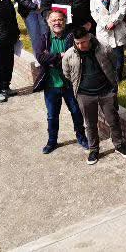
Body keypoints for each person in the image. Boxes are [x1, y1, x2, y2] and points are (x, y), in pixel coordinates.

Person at [62, 28, 126, 165]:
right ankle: (94, 149)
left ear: (89, 37)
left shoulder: (103, 48)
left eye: (84, 42)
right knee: (90, 124)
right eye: (78, 43)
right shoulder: (70, 54)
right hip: (85, 95)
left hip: (106, 91)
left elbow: (113, 62)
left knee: (113, 119)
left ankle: (119, 145)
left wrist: (113, 84)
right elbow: (67, 73)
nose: (82, 45)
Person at [33, 10, 88, 153]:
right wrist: (60, 57)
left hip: (69, 84)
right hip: (51, 84)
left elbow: (76, 56)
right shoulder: (43, 38)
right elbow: (40, 57)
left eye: (60, 20)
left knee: (76, 112)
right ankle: (52, 141)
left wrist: (51, 58)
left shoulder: (71, 37)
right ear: (48, 22)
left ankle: (81, 137)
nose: (57, 22)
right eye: (53, 20)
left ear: (65, 21)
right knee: (52, 116)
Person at [89, 0, 126, 76]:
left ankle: (118, 76)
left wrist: (114, 22)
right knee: (104, 54)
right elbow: (93, 11)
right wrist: (104, 24)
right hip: (103, 28)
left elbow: (123, 8)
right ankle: (107, 75)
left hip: (117, 27)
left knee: (118, 54)